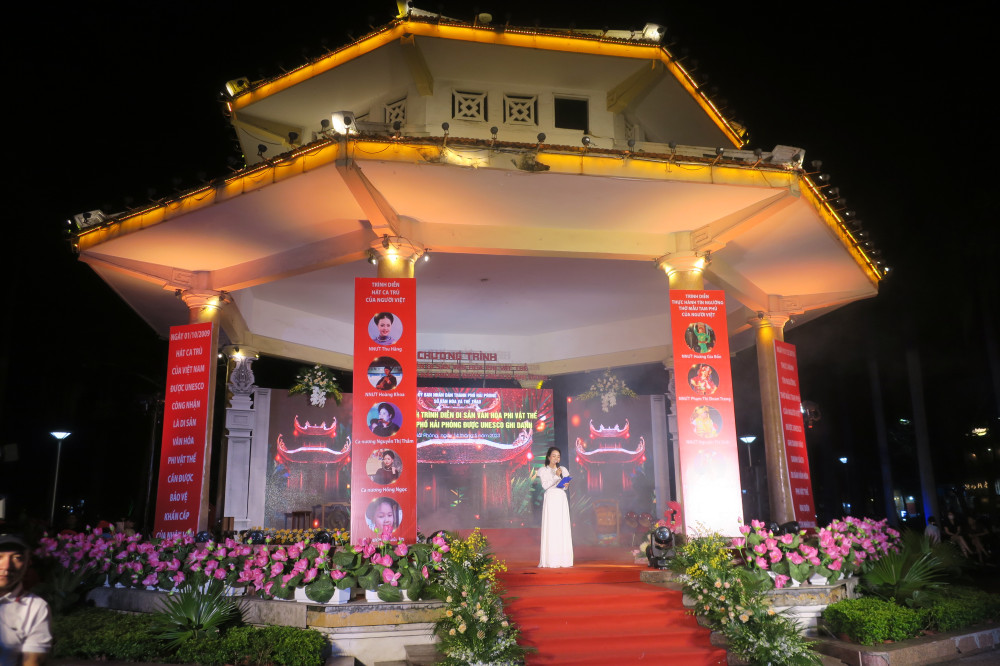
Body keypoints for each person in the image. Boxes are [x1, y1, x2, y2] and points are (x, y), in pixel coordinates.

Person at [1, 534, 52, 666]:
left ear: (28, 563)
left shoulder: (35, 608)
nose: (7, 566)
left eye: (17, 558)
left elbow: (33, 661)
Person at [538, 447, 573, 568]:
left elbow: (564, 487)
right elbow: (545, 486)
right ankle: (551, 559)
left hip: (561, 498)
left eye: (558, 456)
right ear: (548, 457)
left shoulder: (563, 469)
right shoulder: (543, 470)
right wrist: (556, 476)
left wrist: (565, 484)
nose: (556, 458)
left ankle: (564, 559)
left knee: (562, 526)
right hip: (551, 498)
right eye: (553, 456)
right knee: (552, 526)